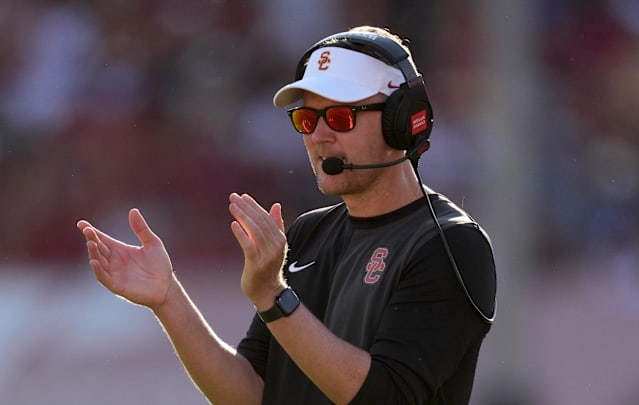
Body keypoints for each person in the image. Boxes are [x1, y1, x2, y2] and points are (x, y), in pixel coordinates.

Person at [77, 25, 496, 405]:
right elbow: (251, 394)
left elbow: (387, 397)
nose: (319, 136)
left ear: (401, 122)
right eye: (306, 119)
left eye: (339, 117)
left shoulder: (451, 243)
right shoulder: (309, 232)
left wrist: (274, 298)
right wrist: (168, 298)